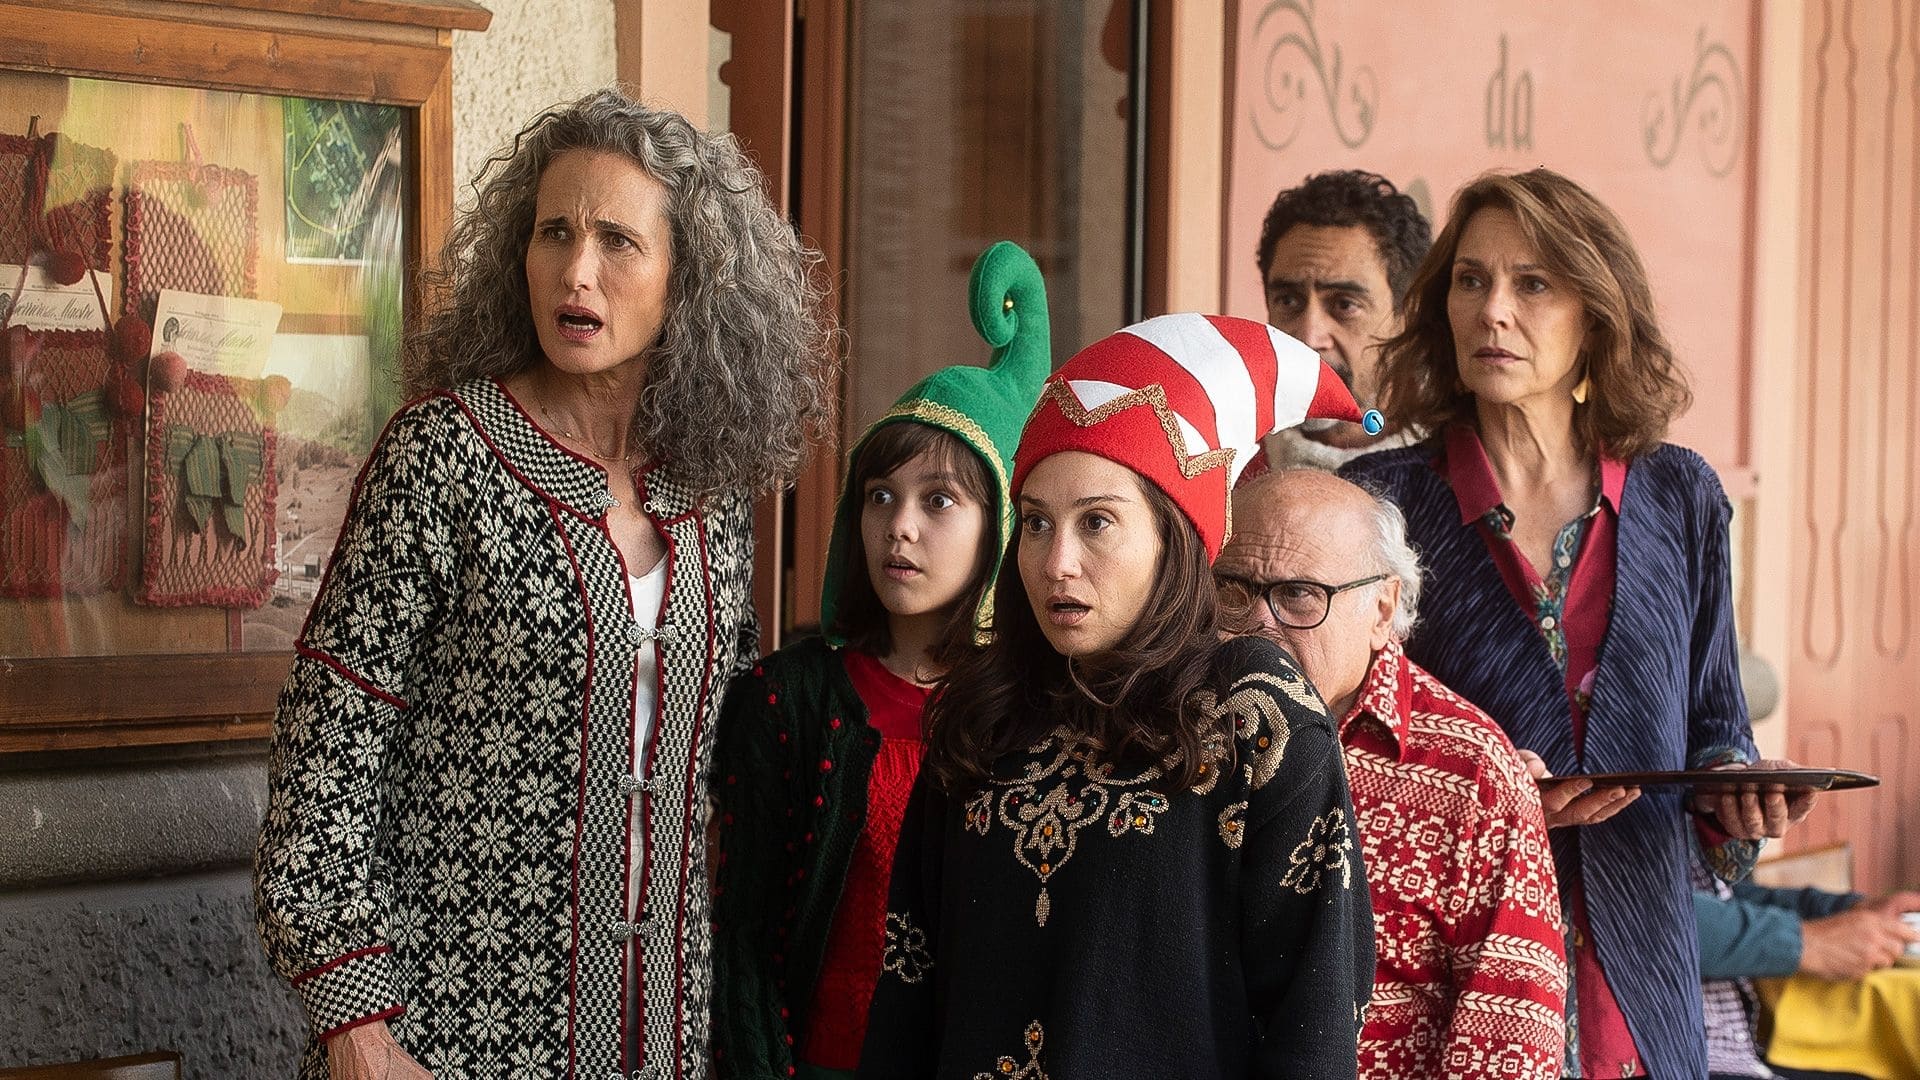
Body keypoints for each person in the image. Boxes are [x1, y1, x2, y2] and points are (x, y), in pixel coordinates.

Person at [253, 88, 835, 1080]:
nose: (576, 270)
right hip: (441, 1044)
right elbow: (324, 764)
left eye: (618, 241)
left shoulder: (711, 494)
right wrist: (359, 1033)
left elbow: (726, 777)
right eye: (553, 232)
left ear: (687, 277)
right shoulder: (442, 457)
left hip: (665, 1043)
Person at [1343, 167, 1815, 1077]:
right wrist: (1488, 792)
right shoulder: (1377, 506)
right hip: (1453, 991)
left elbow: (1716, 726)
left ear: (1595, 315)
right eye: (1471, 280)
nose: (1493, 311)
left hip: (1639, 996)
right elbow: (1338, 754)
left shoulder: (1681, 496)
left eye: (1533, 284)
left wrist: (1739, 794)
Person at [857, 313, 1377, 1078]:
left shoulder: (1257, 714)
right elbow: (909, 995)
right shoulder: (975, 715)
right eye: (1037, 524)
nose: (1056, 562)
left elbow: (1314, 1020)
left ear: (1175, 536)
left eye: (1096, 522)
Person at [710, 241, 1051, 1080]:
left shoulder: (1038, 716)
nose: (899, 526)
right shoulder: (790, 699)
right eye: (880, 497)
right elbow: (741, 938)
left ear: (1001, 526)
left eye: (939, 501)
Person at [1215, 467, 1566, 1078]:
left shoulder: (1474, 775)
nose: (1260, 623)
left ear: (1382, 608)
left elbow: (1511, 1042)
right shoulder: (1171, 734)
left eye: (1299, 594)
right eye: (1235, 589)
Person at [1247, 169, 1431, 475]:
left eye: (1345, 305)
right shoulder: (1225, 460)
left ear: (1409, 316)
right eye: (1288, 301)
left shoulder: (1467, 467)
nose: (1308, 337)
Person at [1693, 861, 1920, 1080]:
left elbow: (1718, 899)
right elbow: (1679, 920)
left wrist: (1842, 913)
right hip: (1711, 1042)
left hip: (1740, 1037)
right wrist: (1809, 939)